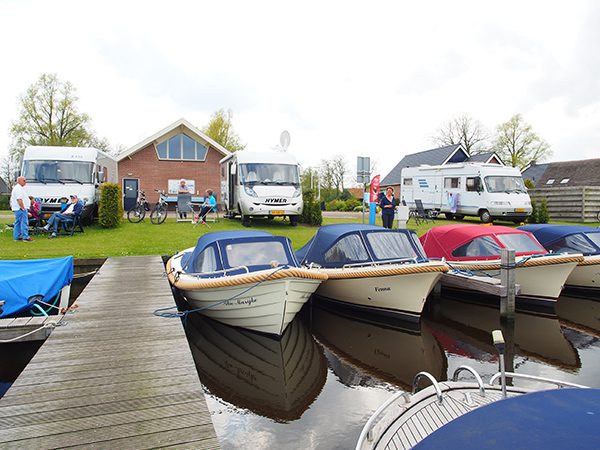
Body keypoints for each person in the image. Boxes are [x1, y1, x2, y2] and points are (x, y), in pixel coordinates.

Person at [10, 176, 33, 241]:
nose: (25, 182)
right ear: (19, 181)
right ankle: (25, 237)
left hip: (18, 208)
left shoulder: (19, 188)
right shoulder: (18, 189)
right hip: (20, 208)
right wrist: (23, 208)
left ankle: (16, 237)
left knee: (18, 223)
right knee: (24, 222)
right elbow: (19, 199)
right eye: (24, 180)